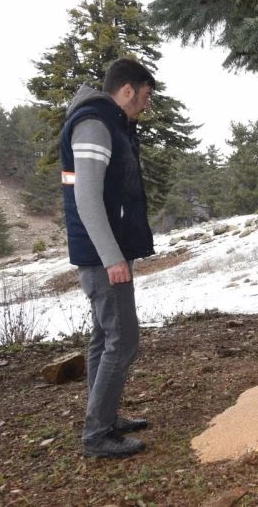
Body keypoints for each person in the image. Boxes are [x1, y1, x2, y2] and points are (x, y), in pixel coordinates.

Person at [60, 57, 156, 458]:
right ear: (127, 89)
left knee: (104, 336)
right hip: (102, 256)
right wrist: (112, 256)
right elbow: (85, 198)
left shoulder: (112, 123)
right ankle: (97, 433)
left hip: (108, 251)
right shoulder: (95, 125)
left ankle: (104, 417)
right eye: (146, 96)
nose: (147, 105)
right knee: (124, 338)